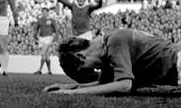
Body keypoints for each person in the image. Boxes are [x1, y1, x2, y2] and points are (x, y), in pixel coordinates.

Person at [44, 29, 180, 95]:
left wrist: (73, 93)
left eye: (84, 68)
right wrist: (70, 87)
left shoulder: (115, 42)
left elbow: (124, 85)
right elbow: (106, 83)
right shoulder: (108, 44)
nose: (94, 70)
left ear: (80, 56)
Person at [32, 7, 61, 74]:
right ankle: (49, 71)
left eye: (45, 11)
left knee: (43, 53)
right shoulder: (39, 20)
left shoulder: (51, 20)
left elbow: (56, 29)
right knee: (47, 56)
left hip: (49, 37)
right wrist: (35, 36)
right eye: (43, 11)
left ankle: (40, 70)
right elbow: (36, 28)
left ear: (48, 12)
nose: (44, 13)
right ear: (42, 12)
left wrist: (55, 38)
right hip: (41, 38)